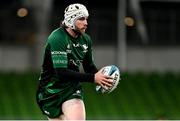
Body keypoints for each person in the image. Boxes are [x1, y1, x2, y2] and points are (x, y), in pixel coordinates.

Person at [36, 3, 113, 120]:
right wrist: (93, 78)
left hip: (71, 89)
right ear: (71, 20)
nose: (86, 23)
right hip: (49, 92)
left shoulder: (86, 39)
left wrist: (102, 78)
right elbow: (61, 73)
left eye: (86, 19)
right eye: (81, 19)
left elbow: (89, 67)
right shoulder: (57, 37)